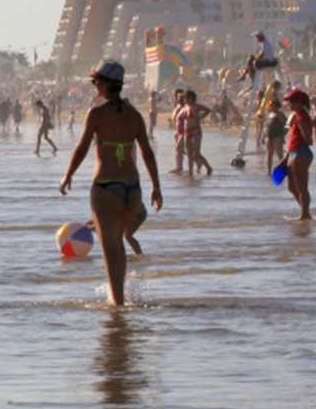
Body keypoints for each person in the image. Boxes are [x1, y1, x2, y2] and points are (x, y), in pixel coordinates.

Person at [60, 61, 162, 306]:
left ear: (106, 84)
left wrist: (68, 175)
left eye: (96, 81)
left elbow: (83, 147)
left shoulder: (96, 114)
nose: (94, 85)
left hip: (106, 187)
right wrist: (156, 187)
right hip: (132, 189)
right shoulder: (134, 115)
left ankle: (117, 306)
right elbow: (147, 153)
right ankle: (121, 297)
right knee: (118, 244)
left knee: (110, 249)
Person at [283, 89, 314, 220]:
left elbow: (307, 138)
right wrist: (285, 158)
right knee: (291, 187)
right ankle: (305, 212)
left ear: (300, 103)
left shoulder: (301, 117)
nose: (288, 104)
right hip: (293, 152)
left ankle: (305, 214)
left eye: (291, 102)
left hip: (301, 153)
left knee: (302, 187)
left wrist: (307, 138)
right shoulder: (297, 116)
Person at [180, 90, 212, 176]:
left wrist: (200, 117)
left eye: (187, 98)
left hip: (196, 130)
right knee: (189, 152)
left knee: (196, 153)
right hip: (187, 130)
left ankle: (208, 167)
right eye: (185, 98)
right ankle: (190, 172)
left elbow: (208, 110)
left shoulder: (196, 106)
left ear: (192, 98)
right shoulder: (185, 107)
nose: (186, 100)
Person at [265, 99, 287, 174]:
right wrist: (264, 136)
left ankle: (283, 171)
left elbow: (286, 124)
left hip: (278, 135)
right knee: (269, 154)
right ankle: (269, 172)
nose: (270, 106)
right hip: (269, 135)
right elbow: (267, 126)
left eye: (272, 105)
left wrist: (283, 135)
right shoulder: (269, 114)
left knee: (279, 154)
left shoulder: (280, 114)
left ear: (275, 106)